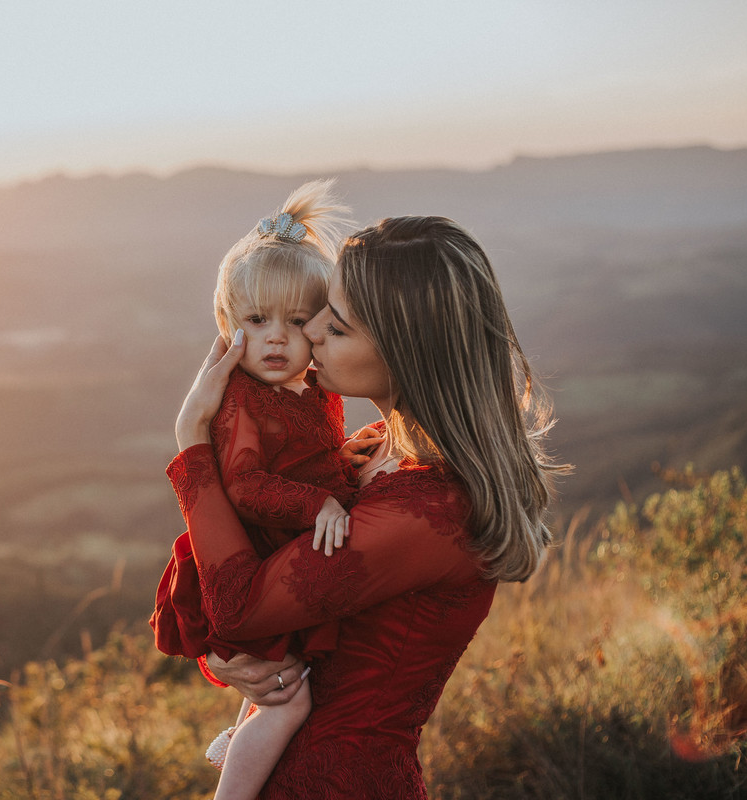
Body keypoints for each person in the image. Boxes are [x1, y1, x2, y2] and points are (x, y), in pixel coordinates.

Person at [167, 214, 567, 799]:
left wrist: (192, 439)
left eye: (339, 324)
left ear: (406, 351)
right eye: (323, 308)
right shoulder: (376, 446)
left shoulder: (428, 510)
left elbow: (239, 606)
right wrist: (236, 664)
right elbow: (275, 592)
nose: (314, 329)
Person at [151, 180, 368, 800]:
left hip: (277, 552)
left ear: (321, 327)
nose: (277, 337)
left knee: (284, 682)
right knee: (288, 700)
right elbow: (245, 486)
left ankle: (240, 733)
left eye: (297, 321)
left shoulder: (314, 390)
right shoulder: (242, 403)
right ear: (227, 325)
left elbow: (315, 459)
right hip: (248, 556)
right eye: (256, 320)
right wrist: (318, 503)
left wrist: (343, 469)